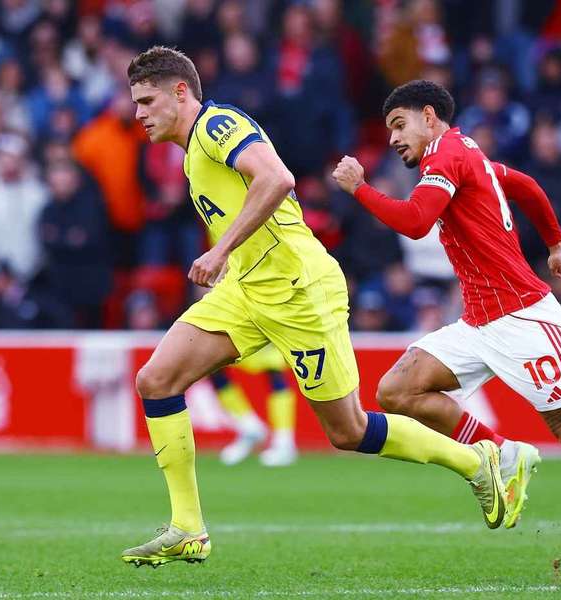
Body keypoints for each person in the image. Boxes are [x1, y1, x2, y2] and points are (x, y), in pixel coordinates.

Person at [121, 47, 512, 568]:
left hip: (300, 291)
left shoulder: (217, 126)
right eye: (135, 104)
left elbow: (277, 179)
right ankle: (188, 528)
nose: (139, 113)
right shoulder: (193, 151)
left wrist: (220, 250)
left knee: (347, 431)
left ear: (179, 92)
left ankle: (475, 462)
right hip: (247, 290)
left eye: (147, 101)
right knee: (156, 380)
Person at [331, 79, 561, 577]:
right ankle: (503, 454)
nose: (394, 138)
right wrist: (553, 240)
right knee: (398, 389)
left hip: (524, 317)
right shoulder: (467, 153)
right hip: (479, 321)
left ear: (429, 117)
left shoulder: (445, 156)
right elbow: (522, 184)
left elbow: (417, 221)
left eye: (400, 124)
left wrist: (359, 189)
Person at [211, 344, 298, 467]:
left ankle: (284, 442)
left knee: (274, 370)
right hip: (235, 329)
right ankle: (250, 428)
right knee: (214, 367)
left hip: (266, 329)